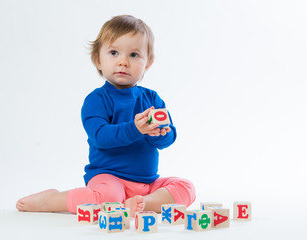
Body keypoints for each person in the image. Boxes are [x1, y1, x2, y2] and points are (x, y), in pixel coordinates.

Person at [16, 15, 195, 217]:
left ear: (148, 64)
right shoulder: (96, 100)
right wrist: (135, 129)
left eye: (134, 55)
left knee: (186, 188)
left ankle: (142, 203)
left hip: (147, 182)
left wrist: (161, 133)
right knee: (108, 198)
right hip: (108, 179)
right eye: (114, 52)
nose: (123, 62)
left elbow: (167, 139)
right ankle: (53, 200)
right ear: (98, 60)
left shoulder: (152, 98)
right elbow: (100, 137)